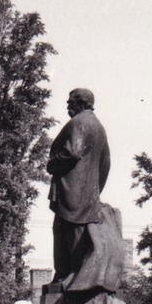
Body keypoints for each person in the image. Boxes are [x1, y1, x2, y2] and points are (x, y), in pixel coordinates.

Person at [47, 88, 125, 293]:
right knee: (72, 231)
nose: (67, 106)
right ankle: (68, 274)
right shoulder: (98, 126)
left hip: (72, 189)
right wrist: (95, 188)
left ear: (80, 103)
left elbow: (72, 152)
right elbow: (106, 162)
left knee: (68, 231)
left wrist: (52, 164)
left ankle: (71, 275)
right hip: (87, 191)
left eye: (70, 102)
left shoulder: (79, 122)